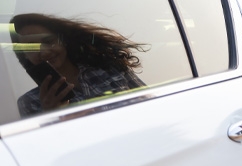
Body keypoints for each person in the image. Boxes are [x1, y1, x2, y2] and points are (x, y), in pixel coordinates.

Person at [12, 13, 147, 117]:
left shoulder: (109, 68)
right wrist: (51, 115)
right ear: (24, 55)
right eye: (31, 47)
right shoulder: (30, 102)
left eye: (48, 41)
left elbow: (152, 102)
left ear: (62, 40)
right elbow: (46, 148)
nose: (44, 52)